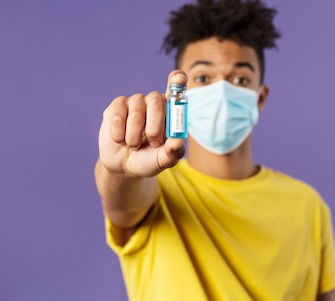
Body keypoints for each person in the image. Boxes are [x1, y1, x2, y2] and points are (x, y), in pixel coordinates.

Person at [94, 0, 335, 299]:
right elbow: (122, 203)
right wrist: (118, 170)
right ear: (180, 95)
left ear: (260, 97)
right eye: (203, 78)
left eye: (240, 79)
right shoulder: (157, 192)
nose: (222, 91)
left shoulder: (308, 206)